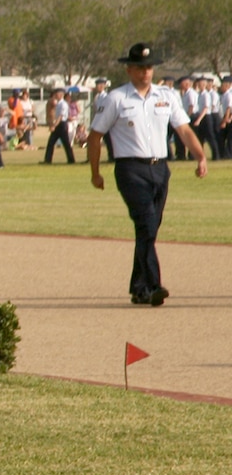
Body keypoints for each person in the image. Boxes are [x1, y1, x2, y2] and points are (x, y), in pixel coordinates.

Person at [88, 42, 209, 306]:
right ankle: (153, 285)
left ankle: (138, 286)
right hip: (130, 168)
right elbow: (95, 136)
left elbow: (184, 129)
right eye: (140, 68)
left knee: (149, 229)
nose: (145, 73)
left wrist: (200, 156)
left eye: (149, 68)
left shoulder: (165, 96)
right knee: (146, 223)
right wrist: (95, 172)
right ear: (129, 70)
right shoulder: (116, 98)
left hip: (159, 168)